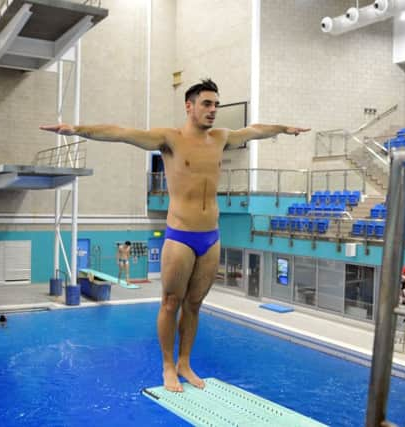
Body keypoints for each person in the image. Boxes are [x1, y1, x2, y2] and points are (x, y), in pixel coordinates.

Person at [40, 78, 309, 392]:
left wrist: (283, 128)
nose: (213, 111)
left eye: (216, 105)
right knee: (170, 302)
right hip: (181, 234)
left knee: (194, 305)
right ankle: (168, 366)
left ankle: (185, 362)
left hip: (211, 236)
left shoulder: (221, 138)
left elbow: (256, 130)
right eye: (206, 104)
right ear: (189, 106)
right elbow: (122, 133)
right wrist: (78, 129)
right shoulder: (171, 139)